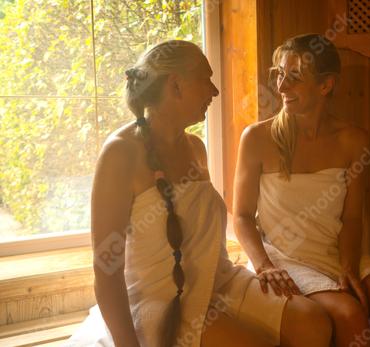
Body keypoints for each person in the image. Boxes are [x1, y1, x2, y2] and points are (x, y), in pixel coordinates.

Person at [89, 40, 332, 347]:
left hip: (219, 280)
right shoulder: (120, 154)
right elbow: (105, 270)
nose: (214, 92)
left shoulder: (195, 149)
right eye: (206, 80)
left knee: (313, 323)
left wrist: (264, 265)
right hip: (162, 299)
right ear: (176, 86)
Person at [233, 33, 370, 347]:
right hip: (286, 255)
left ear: (325, 85)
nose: (281, 87)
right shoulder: (257, 139)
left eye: (294, 78)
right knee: (349, 314)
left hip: (337, 251)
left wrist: (348, 268)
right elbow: (242, 215)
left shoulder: (353, 141)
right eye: (279, 75)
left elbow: (352, 218)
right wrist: (264, 265)